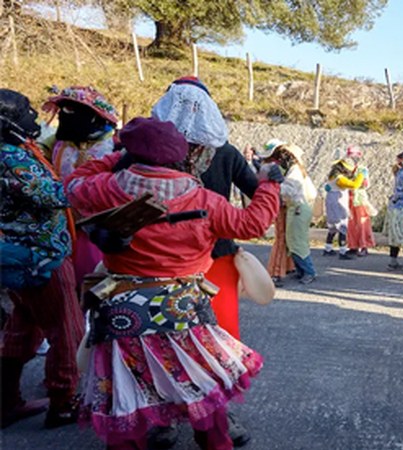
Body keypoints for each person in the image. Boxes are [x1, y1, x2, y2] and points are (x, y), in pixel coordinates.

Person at [66, 117, 281, 449]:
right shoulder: (204, 200)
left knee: (127, 388)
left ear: (131, 152)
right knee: (201, 381)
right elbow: (253, 223)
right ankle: (215, 442)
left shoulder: (107, 188)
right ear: (183, 155)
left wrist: (113, 157)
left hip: (123, 310)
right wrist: (268, 186)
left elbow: (72, 184)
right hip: (185, 309)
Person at [151, 76, 260, 446]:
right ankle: (214, 415)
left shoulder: (146, 149)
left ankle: (168, 418)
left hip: (163, 260)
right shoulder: (224, 150)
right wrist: (270, 187)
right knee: (217, 338)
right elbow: (255, 191)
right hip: (213, 258)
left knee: (163, 336)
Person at [0, 89, 85, 429]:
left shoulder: (16, 150)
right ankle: (63, 402)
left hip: (18, 255)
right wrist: (100, 180)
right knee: (66, 328)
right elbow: (54, 194)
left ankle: (6, 401)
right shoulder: (12, 158)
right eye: (25, 112)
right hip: (41, 256)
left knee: (22, 327)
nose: (34, 117)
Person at [40, 85, 119, 287]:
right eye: (63, 110)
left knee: (89, 270)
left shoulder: (113, 146)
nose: (63, 116)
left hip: (93, 221)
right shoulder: (57, 141)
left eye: (71, 111)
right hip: (58, 216)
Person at [262, 139, 318, 284]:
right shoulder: (297, 169)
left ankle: (309, 272)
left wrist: (277, 184)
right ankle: (301, 270)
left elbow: (290, 190)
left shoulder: (295, 171)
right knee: (293, 241)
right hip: (297, 208)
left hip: (298, 208)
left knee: (297, 242)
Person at [323, 157, 364, 259]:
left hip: (331, 202)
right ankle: (343, 252)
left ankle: (328, 248)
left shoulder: (333, 176)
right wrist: (361, 175)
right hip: (338, 203)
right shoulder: (340, 179)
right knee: (342, 226)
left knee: (332, 227)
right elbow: (354, 185)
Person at [346, 145, 376, 257]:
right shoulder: (346, 169)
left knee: (362, 223)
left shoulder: (362, 169)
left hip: (359, 198)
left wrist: (357, 183)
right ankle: (353, 245)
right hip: (349, 198)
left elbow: (366, 184)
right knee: (351, 223)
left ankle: (364, 245)